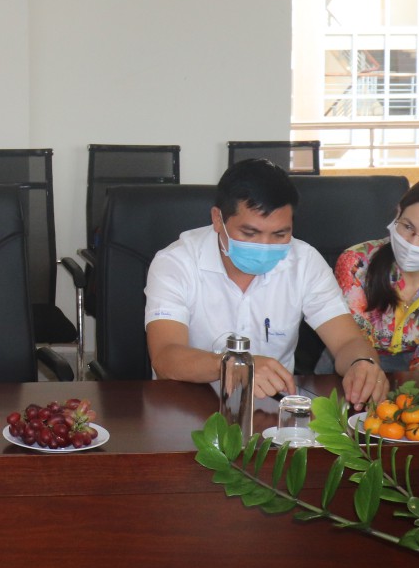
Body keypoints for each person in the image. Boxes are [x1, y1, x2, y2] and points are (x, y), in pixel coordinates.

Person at [144, 159, 384, 406]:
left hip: (273, 408)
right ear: (217, 219)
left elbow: (347, 341)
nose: (265, 246)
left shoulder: (304, 262)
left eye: (280, 234)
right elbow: (165, 356)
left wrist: (362, 364)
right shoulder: (175, 262)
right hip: (188, 404)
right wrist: (234, 366)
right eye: (250, 233)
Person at [332, 178, 419, 372]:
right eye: (408, 227)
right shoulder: (356, 263)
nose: (413, 243)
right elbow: (353, 342)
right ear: (398, 214)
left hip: (415, 367)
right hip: (354, 365)